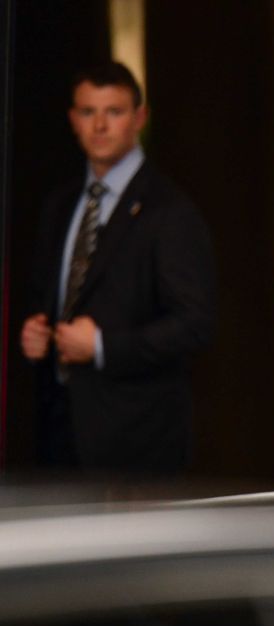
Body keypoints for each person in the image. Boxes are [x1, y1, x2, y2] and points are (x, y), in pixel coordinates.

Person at [20, 61, 216, 475]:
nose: (100, 126)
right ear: (73, 119)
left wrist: (103, 345)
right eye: (88, 112)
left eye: (114, 111)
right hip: (57, 434)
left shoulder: (170, 210)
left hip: (136, 445)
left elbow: (195, 325)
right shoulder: (60, 204)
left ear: (139, 118)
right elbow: (47, 298)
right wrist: (35, 331)